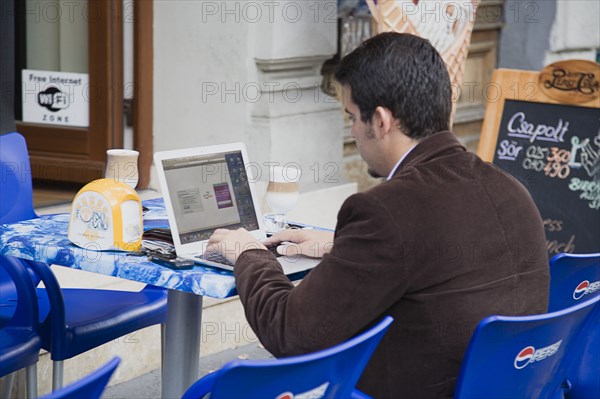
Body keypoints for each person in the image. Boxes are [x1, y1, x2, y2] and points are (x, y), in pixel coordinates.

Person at [207, 32, 549, 398]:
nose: (353, 131)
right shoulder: (510, 187)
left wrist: (249, 254)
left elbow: (291, 333)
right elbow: (437, 255)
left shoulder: (387, 210)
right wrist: (345, 248)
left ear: (382, 121)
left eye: (352, 117)